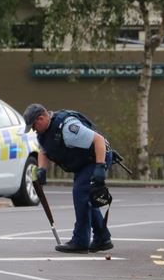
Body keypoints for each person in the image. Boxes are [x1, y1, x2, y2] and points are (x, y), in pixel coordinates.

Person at [23, 103, 113, 254]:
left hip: (96, 158)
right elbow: (44, 151)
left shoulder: (68, 128)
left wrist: (100, 167)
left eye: (34, 125)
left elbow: (99, 140)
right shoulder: (44, 133)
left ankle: (80, 241)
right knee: (85, 197)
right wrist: (42, 170)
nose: (33, 130)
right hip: (83, 163)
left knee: (80, 194)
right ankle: (102, 238)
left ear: (42, 118)